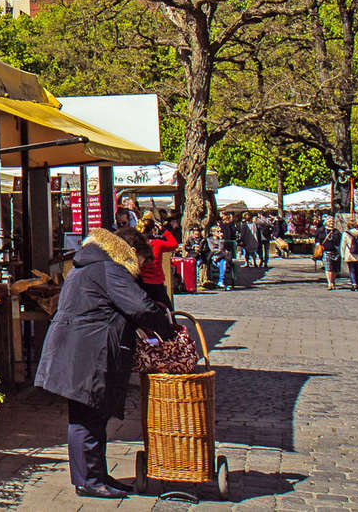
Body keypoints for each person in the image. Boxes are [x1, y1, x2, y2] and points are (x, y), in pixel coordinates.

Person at [36, 227, 177, 500]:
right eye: (143, 263)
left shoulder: (94, 264)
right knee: (86, 417)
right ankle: (88, 480)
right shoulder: (108, 268)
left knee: (93, 415)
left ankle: (96, 475)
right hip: (85, 350)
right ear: (132, 253)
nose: (141, 269)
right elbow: (140, 306)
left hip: (81, 348)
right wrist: (167, 328)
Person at [138, 213, 179, 308]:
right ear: (152, 231)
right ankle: (171, 322)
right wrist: (163, 230)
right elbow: (174, 244)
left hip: (142, 283)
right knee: (168, 309)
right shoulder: (158, 244)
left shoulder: (136, 245)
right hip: (157, 282)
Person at [206, 225, 233, 290]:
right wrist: (219, 250)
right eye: (218, 231)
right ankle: (221, 281)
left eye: (220, 231)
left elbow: (221, 249)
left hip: (221, 257)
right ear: (213, 232)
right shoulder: (210, 240)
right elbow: (213, 250)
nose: (220, 233)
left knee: (223, 263)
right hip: (214, 258)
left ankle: (221, 280)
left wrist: (221, 241)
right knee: (221, 263)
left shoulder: (221, 240)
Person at [320, 218, 342, 289]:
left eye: (332, 221)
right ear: (326, 222)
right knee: (328, 268)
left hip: (335, 251)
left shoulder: (336, 231)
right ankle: (330, 283)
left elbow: (340, 240)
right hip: (326, 251)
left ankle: (333, 281)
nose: (331, 223)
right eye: (330, 221)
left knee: (335, 269)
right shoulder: (322, 231)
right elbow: (318, 239)